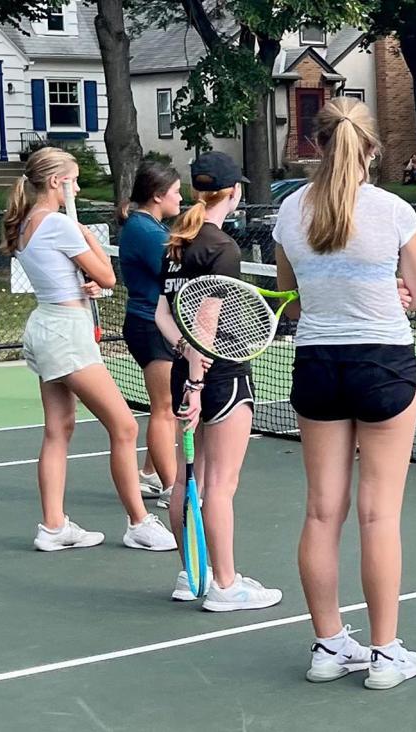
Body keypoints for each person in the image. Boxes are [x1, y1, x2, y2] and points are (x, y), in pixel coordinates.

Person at [273, 97, 416, 689]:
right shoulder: (394, 211)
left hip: (317, 365)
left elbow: (292, 287)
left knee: (322, 511)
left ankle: (328, 646)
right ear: (371, 148)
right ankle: (385, 654)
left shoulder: (291, 211)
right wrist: (394, 285)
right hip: (383, 364)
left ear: (316, 144)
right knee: (378, 513)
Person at [2, 147, 176, 552]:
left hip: (48, 326)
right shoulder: (61, 226)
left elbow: (81, 279)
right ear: (56, 183)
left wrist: (90, 281)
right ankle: (139, 522)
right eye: (75, 180)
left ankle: (53, 526)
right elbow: (109, 277)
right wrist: (83, 236)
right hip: (66, 334)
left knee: (58, 429)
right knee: (126, 426)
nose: (79, 187)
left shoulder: (27, 223)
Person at [154, 151, 282, 611]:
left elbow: (164, 314)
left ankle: (192, 575)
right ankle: (226, 586)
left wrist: (183, 360)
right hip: (218, 377)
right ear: (234, 193)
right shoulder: (222, 248)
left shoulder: (177, 242)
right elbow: (206, 321)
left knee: (189, 480)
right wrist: (195, 380)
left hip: (186, 372)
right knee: (220, 486)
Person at [117, 160, 183, 508]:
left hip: (154, 324)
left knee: (169, 405)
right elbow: (178, 268)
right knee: (165, 408)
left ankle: (149, 473)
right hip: (149, 324)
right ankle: (172, 488)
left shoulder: (148, 226)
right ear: (158, 196)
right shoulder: (145, 231)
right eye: (175, 192)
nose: (180, 197)